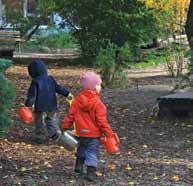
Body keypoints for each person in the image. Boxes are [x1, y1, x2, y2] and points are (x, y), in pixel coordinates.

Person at [61, 71, 114, 182]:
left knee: (82, 147)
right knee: (91, 151)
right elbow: (102, 121)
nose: (100, 87)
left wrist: (65, 127)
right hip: (94, 134)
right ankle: (90, 172)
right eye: (99, 85)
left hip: (81, 132)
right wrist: (109, 134)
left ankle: (79, 166)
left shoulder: (77, 101)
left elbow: (70, 116)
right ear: (94, 87)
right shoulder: (98, 104)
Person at [25, 59, 71, 144]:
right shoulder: (50, 79)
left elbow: (32, 96)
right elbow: (58, 88)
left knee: (40, 122)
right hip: (52, 105)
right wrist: (67, 93)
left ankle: (40, 137)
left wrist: (28, 105)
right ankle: (55, 135)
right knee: (51, 120)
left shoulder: (35, 82)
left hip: (40, 107)